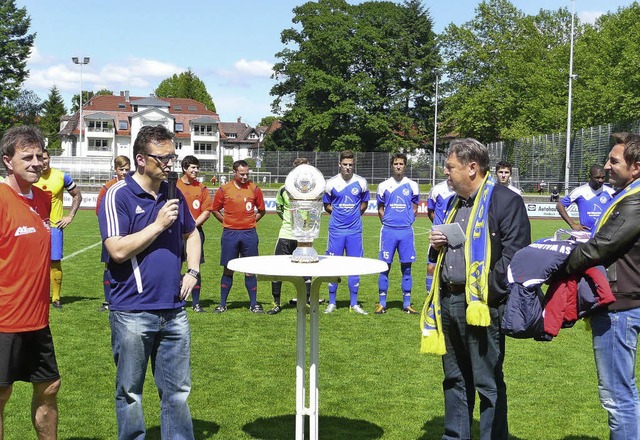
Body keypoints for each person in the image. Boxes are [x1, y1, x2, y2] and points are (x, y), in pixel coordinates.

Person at [422, 138, 531, 440]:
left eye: (450, 166)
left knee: (488, 383)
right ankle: (455, 436)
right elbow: (448, 251)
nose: (445, 172)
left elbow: (516, 257)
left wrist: (485, 293)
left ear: (472, 168)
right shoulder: (451, 203)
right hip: (448, 301)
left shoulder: (506, 201)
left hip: (482, 307)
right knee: (454, 379)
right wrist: (436, 247)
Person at [98, 125, 200, 439]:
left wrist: (193, 272)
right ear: (141, 159)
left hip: (174, 310)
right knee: (130, 392)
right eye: (162, 158)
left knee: (177, 392)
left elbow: (192, 232)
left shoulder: (173, 191)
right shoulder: (119, 194)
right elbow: (116, 249)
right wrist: (157, 225)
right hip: (132, 312)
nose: (169, 163)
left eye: (172, 156)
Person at [565, 132, 640, 439]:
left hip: (619, 307)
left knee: (617, 397)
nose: (607, 167)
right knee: (625, 393)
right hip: (625, 301)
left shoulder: (634, 200)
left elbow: (601, 248)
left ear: (636, 167)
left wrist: (559, 261)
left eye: (614, 160)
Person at [0, 126, 61, 439]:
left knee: (49, 387)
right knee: (1, 395)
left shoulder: (42, 198)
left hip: (37, 319)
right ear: (9, 161)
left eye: (40, 155)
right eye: (28, 157)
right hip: (4, 321)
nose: (37, 162)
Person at [211, 159, 266, 313]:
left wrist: (250, 222)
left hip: (249, 234)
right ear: (234, 172)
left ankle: (254, 304)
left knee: (250, 269)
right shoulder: (224, 189)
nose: (244, 177)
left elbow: (261, 210)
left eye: (247, 174)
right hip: (230, 233)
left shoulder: (254, 189)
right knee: (228, 269)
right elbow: (215, 209)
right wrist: (227, 222)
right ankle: (222, 304)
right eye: (242, 174)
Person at [33, 149, 82, 309]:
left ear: (50, 158)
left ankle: (56, 298)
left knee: (55, 263)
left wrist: (70, 216)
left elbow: (77, 195)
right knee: (34, 264)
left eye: (45, 158)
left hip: (54, 227)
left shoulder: (62, 176)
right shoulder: (31, 177)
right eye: (41, 158)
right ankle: (37, 297)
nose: (43, 161)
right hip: (34, 228)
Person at [323, 150, 370, 314]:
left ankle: (354, 303)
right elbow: (326, 205)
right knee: (332, 265)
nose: (348, 167)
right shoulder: (331, 183)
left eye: (350, 165)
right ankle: (332, 302)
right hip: (336, 230)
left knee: (355, 265)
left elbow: (364, 202)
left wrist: (356, 214)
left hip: (354, 231)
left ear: (353, 165)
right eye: (345, 164)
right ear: (339, 165)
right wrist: (337, 214)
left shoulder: (361, 182)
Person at [374, 152, 420, 314]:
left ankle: (406, 303)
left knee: (407, 268)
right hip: (388, 231)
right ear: (392, 166)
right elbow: (380, 207)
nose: (398, 166)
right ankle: (382, 303)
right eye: (396, 164)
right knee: (384, 267)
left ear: (405, 166)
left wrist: (409, 219)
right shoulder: (384, 185)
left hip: (406, 231)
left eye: (401, 164)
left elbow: (415, 206)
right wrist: (386, 220)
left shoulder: (412, 185)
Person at [268, 157, 311, 315]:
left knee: (307, 270)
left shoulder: (312, 190)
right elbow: (279, 209)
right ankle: (276, 303)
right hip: (286, 234)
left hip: (304, 237)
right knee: (277, 270)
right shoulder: (283, 189)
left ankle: (306, 302)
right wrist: (289, 223)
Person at [177, 155, 214, 313]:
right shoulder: (174, 186)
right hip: (174, 233)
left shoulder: (202, 188)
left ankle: (196, 303)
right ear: (185, 168)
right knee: (174, 266)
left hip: (195, 233)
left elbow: (207, 211)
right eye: (193, 167)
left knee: (195, 268)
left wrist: (191, 226)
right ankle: (176, 299)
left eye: (197, 168)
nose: (196, 170)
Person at [95, 155, 131, 312]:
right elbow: (99, 210)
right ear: (115, 170)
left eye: (127, 169)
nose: (124, 172)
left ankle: (127, 298)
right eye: (121, 169)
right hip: (112, 235)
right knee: (109, 266)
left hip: (130, 235)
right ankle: (108, 300)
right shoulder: (108, 187)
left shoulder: (133, 186)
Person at [556, 164, 615, 231]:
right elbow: (560, 205)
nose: (600, 180)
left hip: (604, 234)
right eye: (597, 177)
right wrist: (573, 224)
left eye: (603, 177)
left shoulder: (611, 192)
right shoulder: (580, 191)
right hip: (585, 234)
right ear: (590, 176)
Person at [425, 178, 456, 293]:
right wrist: (439, 227)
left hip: (454, 235)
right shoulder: (437, 189)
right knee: (431, 267)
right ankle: (430, 298)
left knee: (452, 268)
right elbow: (430, 212)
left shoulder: (461, 189)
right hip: (437, 236)